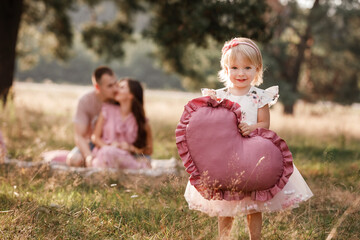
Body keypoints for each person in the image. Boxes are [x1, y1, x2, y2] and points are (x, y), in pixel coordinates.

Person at [184, 37, 313, 240]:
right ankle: (224, 237)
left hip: (252, 155)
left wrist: (250, 128)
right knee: (225, 202)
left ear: (257, 69)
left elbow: (264, 125)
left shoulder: (259, 97)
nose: (241, 73)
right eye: (234, 67)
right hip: (225, 157)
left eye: (247, 67)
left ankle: (256, 238)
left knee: (254, 202)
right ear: (225, 69)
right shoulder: (218, 96)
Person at [88, 77, 153, 169]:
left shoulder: (141, 121)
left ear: (131, 95)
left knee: (143, 164)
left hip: (127, 158)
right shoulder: (107, 110)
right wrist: (109, 147)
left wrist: (131, 148)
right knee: (107, 153)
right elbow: (95, 137)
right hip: (104, 153)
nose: (116, 89)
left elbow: (149, 150)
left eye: (121, 87)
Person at [66, 66, 118, 167]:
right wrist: (88, 156)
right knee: (74, 159)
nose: (115, 89)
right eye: (110, 86)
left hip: (115, 144)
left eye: (116, 84)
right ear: (97, 87)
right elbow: (79, 135)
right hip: (92, 144)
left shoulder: (120, 99)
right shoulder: (85, 101)